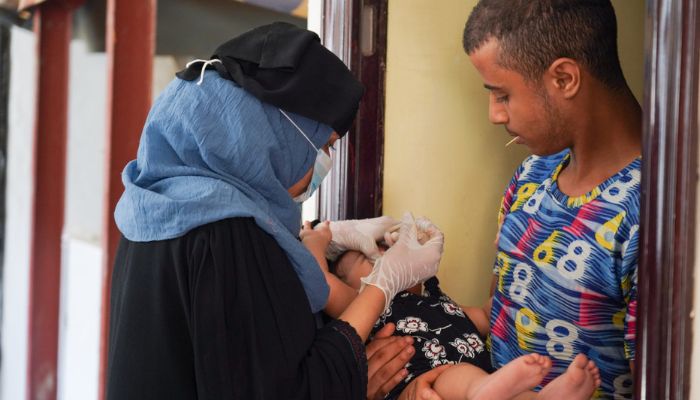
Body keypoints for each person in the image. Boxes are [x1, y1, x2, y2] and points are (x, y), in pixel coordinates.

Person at [106, 22, 444, 400]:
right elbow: (277, 390)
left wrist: (320, 239)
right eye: (325, 145)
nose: (325, 163)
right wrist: (382, 286)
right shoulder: (225, 232)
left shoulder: (159, 205)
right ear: (279, 135)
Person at [461, 1, 642, 398]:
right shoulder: (533, 174)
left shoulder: (647, 211)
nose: (494, 114)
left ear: (564, 78)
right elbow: (500, 310)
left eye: (502, 95)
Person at [301, 219, 601, 400]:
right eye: (364, 261)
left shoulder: (437, 301)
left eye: (385, 251)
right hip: (429, 383)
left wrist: (511, 255)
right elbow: (321, 284)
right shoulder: (360, 302)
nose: (381, 258)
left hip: (485, 379)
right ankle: (484, 391)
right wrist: (315, 240)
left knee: (509, 390)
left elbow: (487, 314)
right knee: (461, 377)